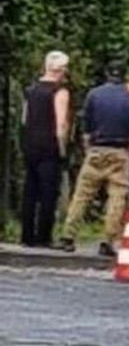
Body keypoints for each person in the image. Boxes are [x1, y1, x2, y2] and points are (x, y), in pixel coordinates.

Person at [60, 61, 129, 257]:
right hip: (119, 152)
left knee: (82, 195)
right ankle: (107, 241)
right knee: (116, 198)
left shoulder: (94, 95)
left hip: (97, 149)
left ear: (107, 74)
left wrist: (89, 151)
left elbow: (86, 129)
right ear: (125, 75)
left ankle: (68, 237)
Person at [20, 51, 71, 248]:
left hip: (31, 143)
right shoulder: (60, 91)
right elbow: (61, 125)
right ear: (61, 70)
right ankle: (43, 235)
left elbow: (24, 119)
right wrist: (62, 149)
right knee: (48, 191)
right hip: (49, 145)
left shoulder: (31, 90)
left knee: (30, 190)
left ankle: (26, 235)